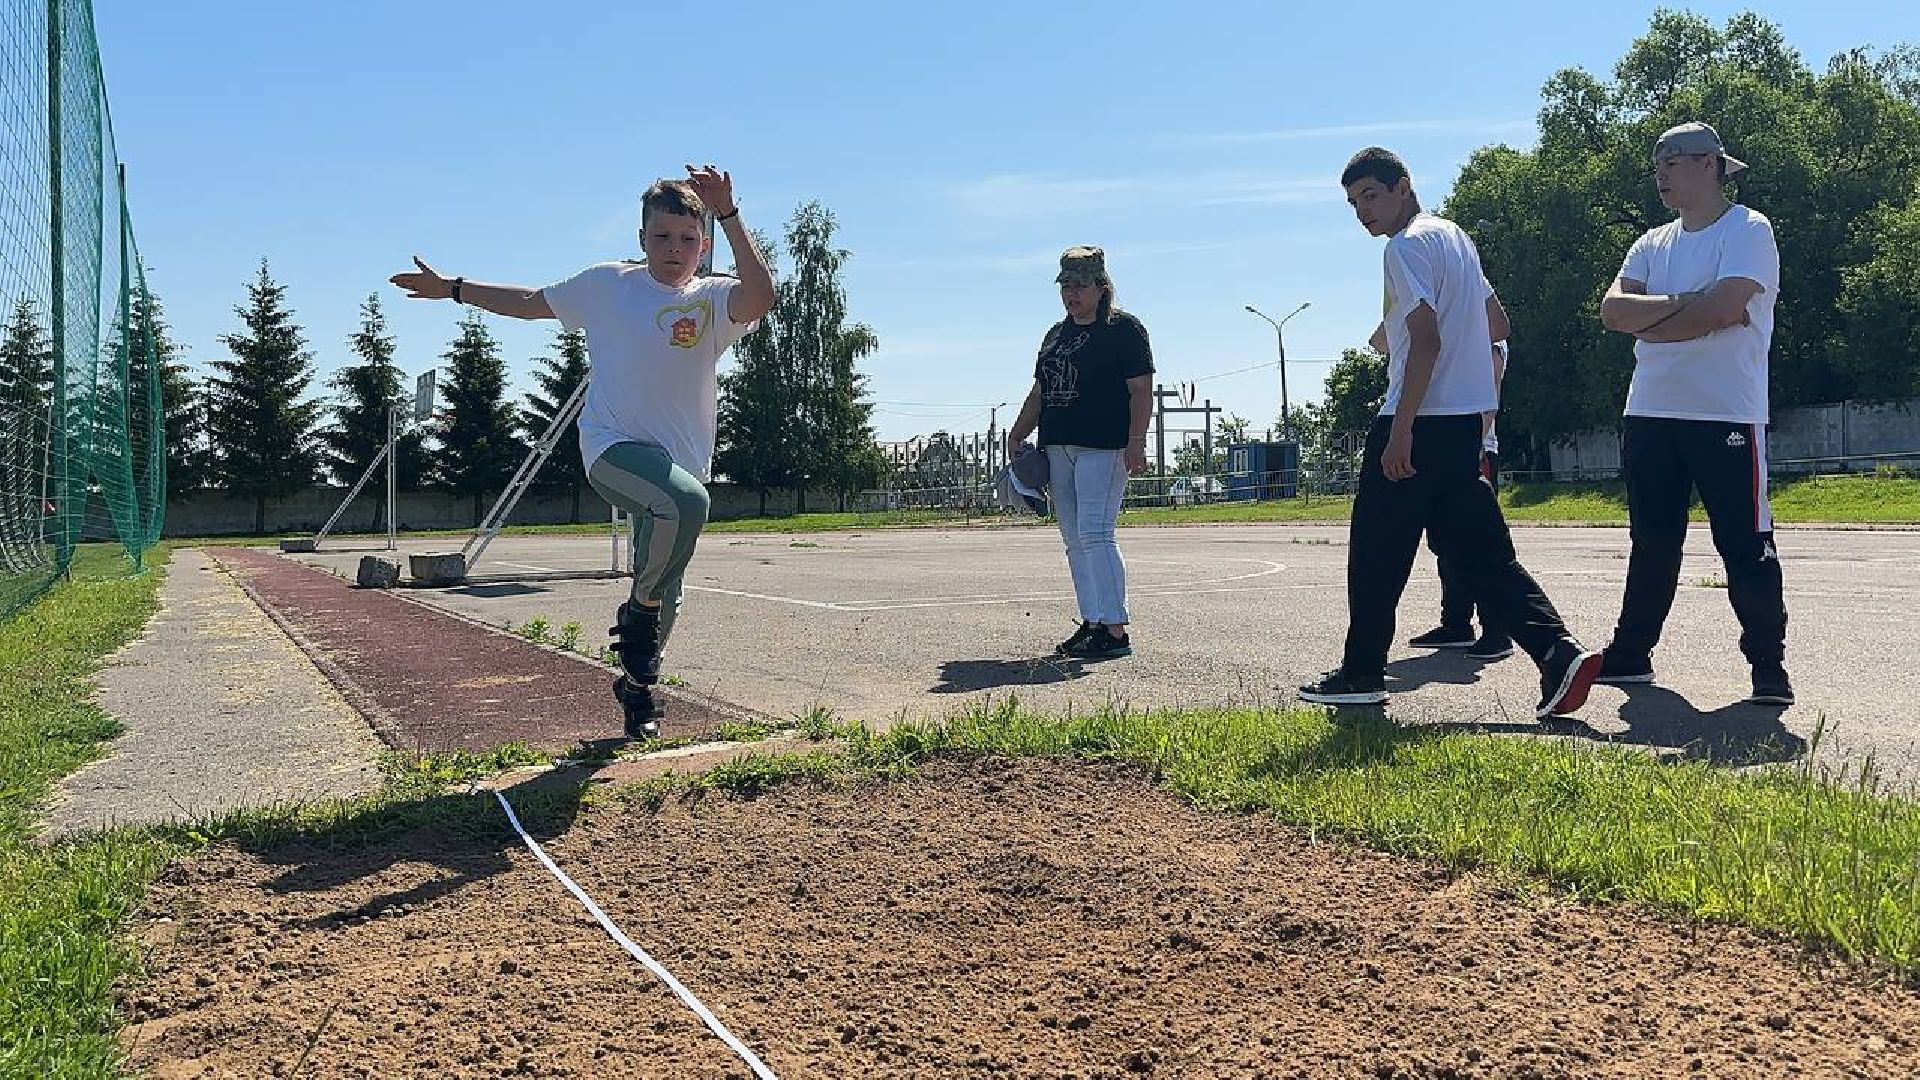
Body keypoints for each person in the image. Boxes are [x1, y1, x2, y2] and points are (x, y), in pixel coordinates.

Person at [390, 166, 775, 738]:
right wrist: (453, 288)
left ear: (703, 246)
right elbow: (529, 302)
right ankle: (639, 614)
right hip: (612, 449)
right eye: (662, 236)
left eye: (687, 239)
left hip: (681, 465)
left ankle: (637, 688)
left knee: (666, 593)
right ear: (642, 238)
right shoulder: (608, 286)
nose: (674, 249)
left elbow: (762, 296)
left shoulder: (713, 300)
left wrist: (730, 213)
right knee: (686, 508)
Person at [1298, 148, 1601, 718]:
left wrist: (1401, 430)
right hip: (1464, 426)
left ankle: (1362, 672)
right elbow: (1498, 323)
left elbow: (1427, 340)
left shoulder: (1404, 246)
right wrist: (1475, 389)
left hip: (1418, 421)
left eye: (1371, 196)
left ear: (1403, 186)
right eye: (1353, 203)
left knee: (1376, 553)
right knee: (1483, 556)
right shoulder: (1455, 238)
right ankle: (1559, 653)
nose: (1363, 212)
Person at [1596, 122, 1791, 705]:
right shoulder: (1652, 243)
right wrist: (1689, 305)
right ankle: (1630, 655)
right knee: (1652, 541)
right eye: (1657, 163)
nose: (1660, 173)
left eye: (1672, 160)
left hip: (1724, 413)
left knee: (1745, 542)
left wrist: (1657, 323)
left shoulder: (1747, 229)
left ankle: (1768, 668)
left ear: (1710, 164)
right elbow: (1613, 312)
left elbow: (1726, 308)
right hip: (1650, 413)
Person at [1003, 246, 1153, 659]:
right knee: (1073, 538)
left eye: (1080, 285)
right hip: (1058, 446)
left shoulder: (1125, 329)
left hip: (1104, 446)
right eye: (1066, 285)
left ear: (1101, 287)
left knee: (1096, 532)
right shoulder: (1055, 335)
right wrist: (1017, 435)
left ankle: (1115, 629)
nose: (1071, 293)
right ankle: (1093, 621)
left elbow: (1141, 389)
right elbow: (1040, 392)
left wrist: (1136, 441)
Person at [1405, 339, 1513, 660]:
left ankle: (1497, 630)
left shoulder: (1489, 340)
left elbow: (1490, 396)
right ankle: (1456, 623)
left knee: (1479, 542)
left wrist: (1474, 444)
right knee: (1446, 542)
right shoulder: (1456, 334)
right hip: (1446, 449)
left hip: (1474, 450)